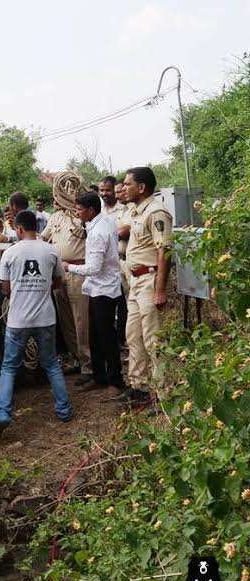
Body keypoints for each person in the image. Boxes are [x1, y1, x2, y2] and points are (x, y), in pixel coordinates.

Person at [0, 210, 73, 435]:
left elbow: (6, 289)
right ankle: (64, 410)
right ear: (36, 227)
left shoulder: (10, 253)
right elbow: (58, 281)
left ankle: (3, 414)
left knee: (9, 367)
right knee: (51, 364)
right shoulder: (51, 250)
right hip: (46, 318)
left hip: (18, 320)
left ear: (18, 229)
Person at [116, 167, 173, 405]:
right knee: (133, 336)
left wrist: (160, 290)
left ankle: (163, 395)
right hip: (135, 282)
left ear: (141, 187)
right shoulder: (136, 212)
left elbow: (165, 251)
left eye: (127, 184)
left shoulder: (157, 212)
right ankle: (139, 387)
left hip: (150, 281)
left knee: (153, 339)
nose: (123, 188)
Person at [63, 192, 124, 392]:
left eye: (80, 209)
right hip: (99, 287)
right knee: (96, 335)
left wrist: (68, 266)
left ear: (90, 210)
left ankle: (115, 380)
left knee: (105, 336)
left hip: (103, 290)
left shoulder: (98, 232)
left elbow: (94, 268)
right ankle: (100, 376)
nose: (77, 213)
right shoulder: (102, 223)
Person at [41, 196, 91, 381]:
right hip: (59, 273)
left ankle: (88, 365)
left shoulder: (81, 217)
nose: (55, 199)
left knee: (81, 320)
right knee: (66, 320)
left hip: (78, 272)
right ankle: (78, 359)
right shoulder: (54, 218)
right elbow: (43, 238)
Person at [99, 176, 129, 346]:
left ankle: (123, 339)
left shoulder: (124, 210)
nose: (104, 193)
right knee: (108, 303)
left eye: (107, 190)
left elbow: (124, 232)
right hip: (104, 265)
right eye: (101, 190)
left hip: (122, 262)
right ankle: (111, 341)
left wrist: (105, 236)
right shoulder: (98, 211)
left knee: (124, 302)